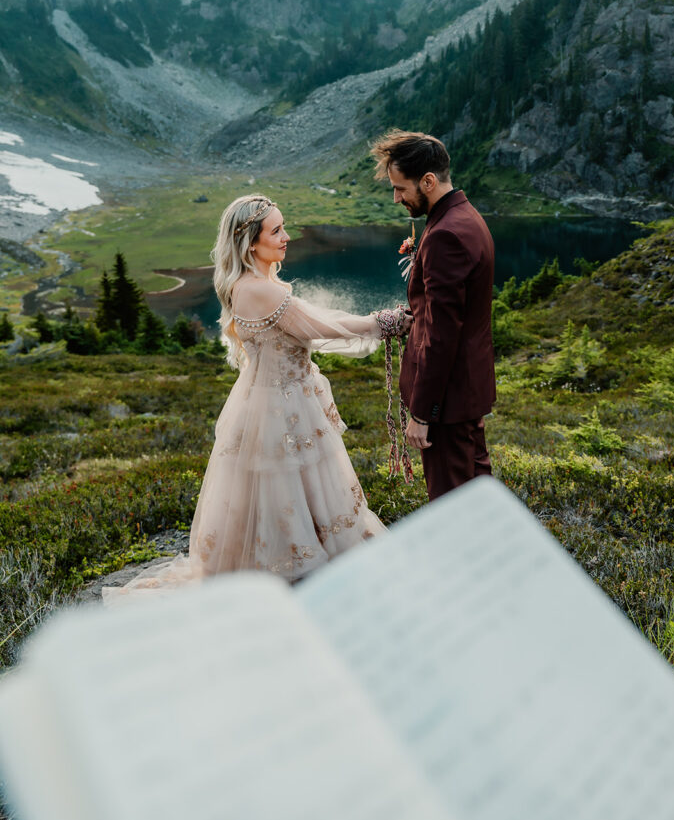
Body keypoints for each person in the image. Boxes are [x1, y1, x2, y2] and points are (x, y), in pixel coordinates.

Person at [102, 195, 408, 602]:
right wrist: (380, 323)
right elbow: (319, 324)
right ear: (250, 243)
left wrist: (376, 323)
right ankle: (298, 569)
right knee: (293, 486)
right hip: (283, 409)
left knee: (293, 488)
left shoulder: (253, 285)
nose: (286, 237)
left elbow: (314, 316)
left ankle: (299, 557)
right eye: (276, 231)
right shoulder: (259, 291)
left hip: (279, 400)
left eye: (284, 227)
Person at [371, 130, 496, 501]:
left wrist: (423, 414)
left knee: (451, 509)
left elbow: (441, 336)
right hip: (465, 394)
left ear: (428, 181)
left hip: (448, 404)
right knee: (477, 500)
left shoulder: (445, 235)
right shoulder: (465, 217)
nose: (397, 198)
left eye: (400, 188)